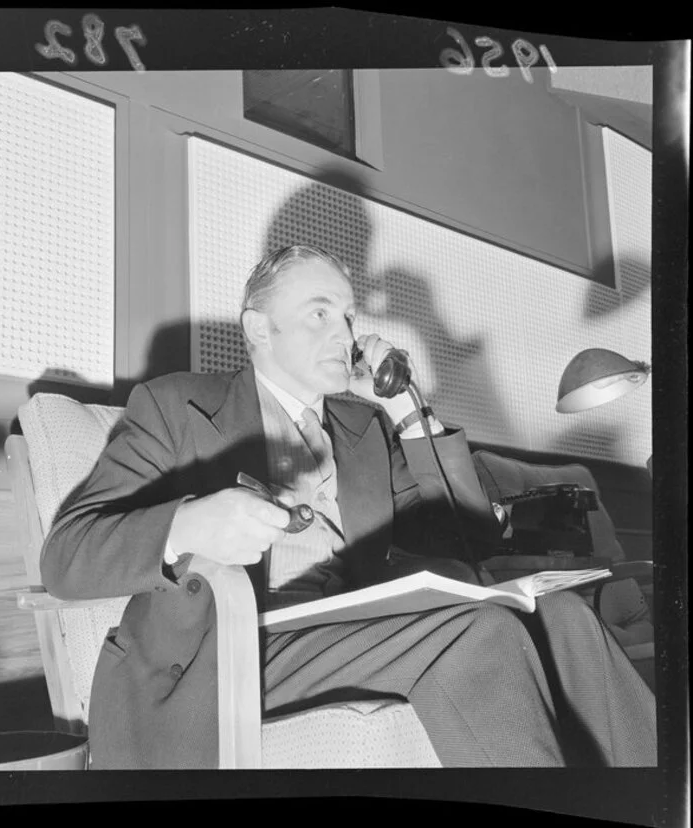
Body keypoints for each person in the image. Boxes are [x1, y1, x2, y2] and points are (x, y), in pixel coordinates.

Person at [40, 244, 657, 769]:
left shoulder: (363, 430)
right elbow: (66, 559)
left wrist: (405, 409)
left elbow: (469, 539)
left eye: (348, 315)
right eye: (319, 314)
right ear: (259, 328)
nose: (344, 334)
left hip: (350, 630)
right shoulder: (176, 406)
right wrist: (186, 525)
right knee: (481, 633)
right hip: (221, 653)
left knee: (565, 616)